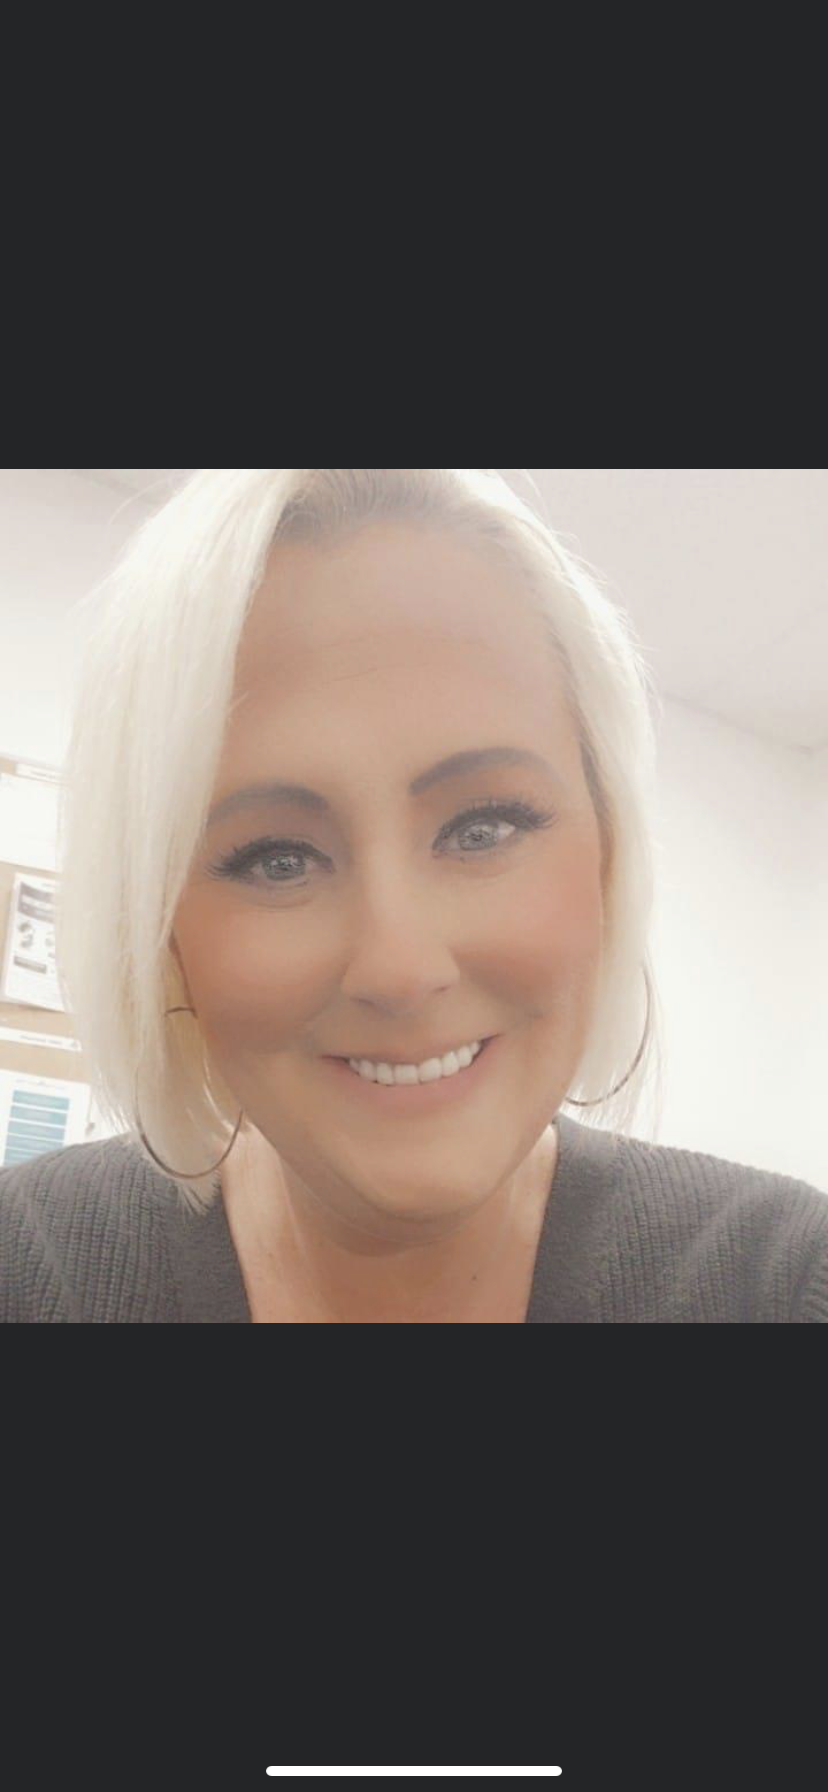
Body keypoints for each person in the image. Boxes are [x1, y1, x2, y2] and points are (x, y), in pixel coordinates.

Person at [5, 469, 823, 1323]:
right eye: (278, 860)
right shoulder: (30, 1274)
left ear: (608, 858)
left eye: (483, 828)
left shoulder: (781, 1285)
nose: (400, 969)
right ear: (162, 928)